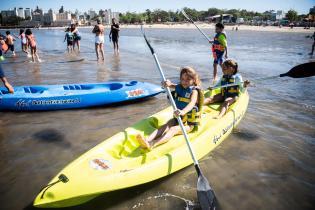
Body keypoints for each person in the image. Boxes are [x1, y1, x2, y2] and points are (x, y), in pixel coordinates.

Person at [136, 67, 203, 150]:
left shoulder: (194, 91)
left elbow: (192, 103)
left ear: (193, 80)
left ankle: (153, 143)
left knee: (172, 129)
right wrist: (168, 83)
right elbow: (172, 85)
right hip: (179, 118)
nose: (184, 82)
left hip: (190, 124)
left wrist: (183, 111)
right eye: (182, 79)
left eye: (188, 79)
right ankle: (147, 140)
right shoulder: (180, 87)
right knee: (165, 126)